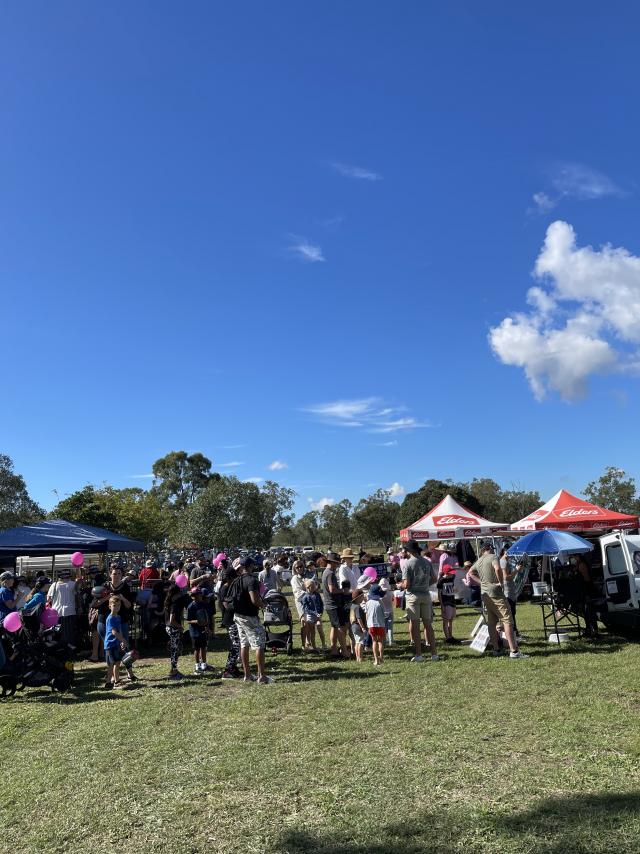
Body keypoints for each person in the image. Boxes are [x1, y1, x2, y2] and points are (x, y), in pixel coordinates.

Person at [468, 544, 528, 659]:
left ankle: (496, 649)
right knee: (508, 620)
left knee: (492, 622)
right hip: (496, 593)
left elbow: (470, 573)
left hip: (485, 594)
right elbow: (497, 568)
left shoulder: (479, 560)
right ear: (489, 549)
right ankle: (514, 651)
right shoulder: (493, 557)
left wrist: (482, 583)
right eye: (492, 549)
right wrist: (500, 583)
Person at [232, 557, 273, 684]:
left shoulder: (236, 580)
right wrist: (264, 604)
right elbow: (254, 600)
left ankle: (247, 675)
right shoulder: (252, 580)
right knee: (259, 644)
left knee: (244, 644)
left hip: (238, 616)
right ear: (249, 566)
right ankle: (262, 676)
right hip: (249, 617)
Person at [401, 540, 439, 663]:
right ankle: (434, 654)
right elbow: (434, 578)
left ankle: (419, 654)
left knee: (416, 626)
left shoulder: (408, 563)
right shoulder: (426, 562)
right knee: (428, 625)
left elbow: (406, 584)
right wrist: (425, 585)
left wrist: (400, 585)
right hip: (426, 595)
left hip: (413, 596)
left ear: (409, 551)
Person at [321, 551, 350, 659]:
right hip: (333, 604)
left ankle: (334, 650)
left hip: (330, 604)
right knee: (339, 628)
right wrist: (343, 591)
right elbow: (332, 589)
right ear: (332, 563)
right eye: (337, 563)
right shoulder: (330, 573)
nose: (337, 565)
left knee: (334, 627)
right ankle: (344, 652)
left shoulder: (325, 572)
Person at [218, 561, 242, 679]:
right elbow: (226, 605)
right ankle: (228, 670)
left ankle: (233, 667)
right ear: (230, 578)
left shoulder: (234, 587)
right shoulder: (224, 588)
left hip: (235, 618)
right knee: (235, 643)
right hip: (229, 619)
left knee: (238, 643)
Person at [47, 569, 78, 648]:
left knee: (57, 631)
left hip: (56, 611)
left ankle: (58, 648)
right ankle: (70, 648)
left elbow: (48, 599)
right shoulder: (73, 584)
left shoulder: (54, 585)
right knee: (69, 631)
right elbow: (78, 595)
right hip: (70, 611)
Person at [164, 582, 188, 679]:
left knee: (175, 649)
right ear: (175, 594)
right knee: (175, 650)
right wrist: (180, 627)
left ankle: (173, 670)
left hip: (170, 627)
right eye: (179, 593)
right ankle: (174, 671)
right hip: (173, 628)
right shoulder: (174, 605)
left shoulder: (168, 602)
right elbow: (172, 620)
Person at [104, 595, 127, 689]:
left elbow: (119, 630)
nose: (116, 607)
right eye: (114, 605)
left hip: (116, 643)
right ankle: (108, 683)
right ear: (110, 606)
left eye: (118, 606)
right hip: (110, 644)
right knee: (111, 664)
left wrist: (121, 641)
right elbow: (114, 632)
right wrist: (123, 640)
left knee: (117, 662)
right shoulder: (110, 618)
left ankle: (116, 680)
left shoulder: (118, 617)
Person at [187, 587, 210, 674]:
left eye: (200, 594)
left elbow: (206, 616)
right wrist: (196, 621)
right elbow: (188, 620)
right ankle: (197, 666)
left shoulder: (203, 604)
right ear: (193, 596)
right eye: (197, 595)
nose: (199, 596)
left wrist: (207, 627)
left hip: (203, 630)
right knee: (197, 649)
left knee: (204, 647)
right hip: (194, 631)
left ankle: (204, 664)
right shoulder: (191, 607)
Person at [499, 547, 520, 639]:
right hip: (507, 591)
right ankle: (514, 633)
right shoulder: (503, 561)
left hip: (510, 590)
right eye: (508, 551)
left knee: (512, 612)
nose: (510, 553)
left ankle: (515, 632)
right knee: (510, 613)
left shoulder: (506, 561)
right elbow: (506, 577)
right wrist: (516, 570)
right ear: (504, 552)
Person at [290, 560, 311, 650]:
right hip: (300, 602)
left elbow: (314, 585)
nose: (299, 568)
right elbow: (297, 592)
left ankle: (308, 642)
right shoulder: (294, 579)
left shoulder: (307, 576)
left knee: (309, 621)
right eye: (297, 567)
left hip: (309, 601)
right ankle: (303, 645)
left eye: (301, 566)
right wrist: (308, 591)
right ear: (294, 569)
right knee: (304, 621)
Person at [437, 564, 460, 644]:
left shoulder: (452, 577)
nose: (452, 574)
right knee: (446, 620)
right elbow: (439, 594)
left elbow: (455, 572)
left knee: (451, 620)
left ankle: (451, 636)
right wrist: (442, 605)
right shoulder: (441, 581)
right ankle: (447, 638)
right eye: (450, 572)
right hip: (445, 602)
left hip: (452, 601)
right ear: (446, 573)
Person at [365, 584, 387, 666]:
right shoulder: (380, 602)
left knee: (374, 641)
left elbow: (366, 615)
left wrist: (368, 623)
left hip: (371, 625)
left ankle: (376, 660)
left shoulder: (368, 603)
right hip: (380, 624)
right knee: (380, 641)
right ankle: (381, 658)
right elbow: (384, 613)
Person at [301, 578, 324, 652]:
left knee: (320, 627)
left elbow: (321, 604)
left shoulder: (317, 595)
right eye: (313, 586)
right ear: (308, 587)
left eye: (315, 586)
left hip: (318, 615)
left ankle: (324, 644)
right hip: (310, 616)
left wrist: (320, 613)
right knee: (312, 632)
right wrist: (315, 613)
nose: (315, 587)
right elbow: (306, 609)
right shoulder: (305, 597)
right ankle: (314, 646)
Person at [350, 589, 367, 662]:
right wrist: (363, 627)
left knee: (357, 642)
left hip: (353, 627)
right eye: (362, 596)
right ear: (358, 598)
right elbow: (359, 618)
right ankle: (360, 657)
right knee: (361, 643)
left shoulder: (353, 606)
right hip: (358, 627)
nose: (363, 597)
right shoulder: (358, 607)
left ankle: (357, 657)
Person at [378, 577, 394, 646]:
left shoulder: (379, 594)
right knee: (390, 628)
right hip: (390, 611)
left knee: (383, 627)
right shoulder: (390, 592)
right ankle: (391, 641)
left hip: (382, 612)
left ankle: (384, 641)